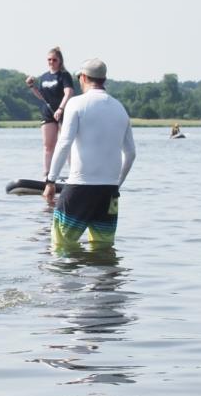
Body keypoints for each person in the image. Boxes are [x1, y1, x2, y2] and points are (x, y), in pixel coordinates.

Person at [42, 59, 136, 251]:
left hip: (80, 188)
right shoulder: (120, 108)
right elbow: (131, 154)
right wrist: (116, 184)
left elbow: (64, 143)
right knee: (103, 251)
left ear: (83, 78)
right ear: (104, 79)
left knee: (61, 248)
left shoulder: (76, 104)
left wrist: (50, 180)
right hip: (109, 192)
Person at [26, 47, 74, 176]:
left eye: (54, 60)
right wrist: (31, 86)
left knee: (66, 144)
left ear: (59, 61)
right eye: (49, 59)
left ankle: (73, 174)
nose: (51, 62)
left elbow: (69, 92)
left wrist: (61, 108)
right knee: (48, 146)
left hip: (63, 112)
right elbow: (42, 96)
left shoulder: (64, 75)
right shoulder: (44, 77)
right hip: (48, 112)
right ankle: (47, 174)